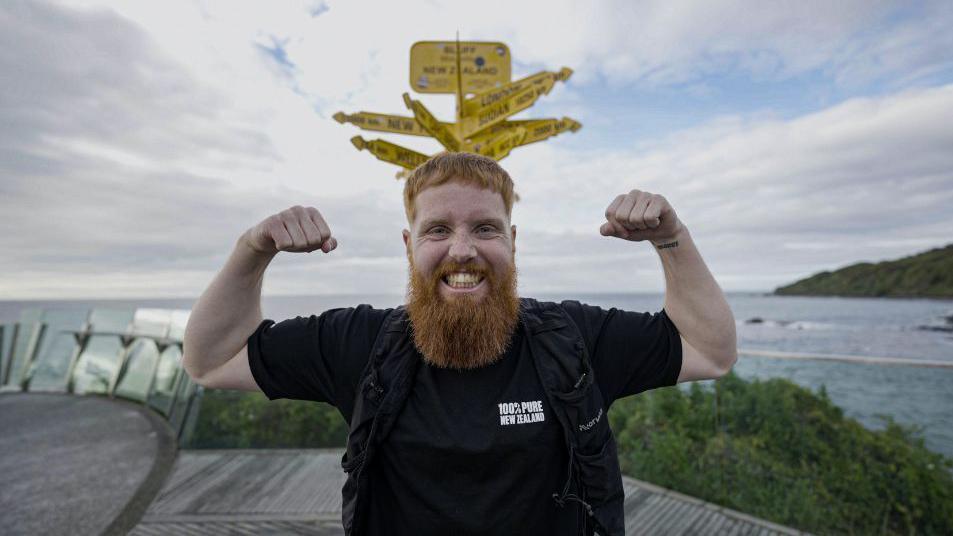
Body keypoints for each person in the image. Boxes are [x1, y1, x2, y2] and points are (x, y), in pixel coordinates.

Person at [182, 151, 737, 535]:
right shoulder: (360, 343)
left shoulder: (573, 340)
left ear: (512, 242)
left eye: (486, 229)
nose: (463, 250)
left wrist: (671, 238)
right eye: (438, 230)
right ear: (409, 245)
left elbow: (709, 349)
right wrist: (252, 249)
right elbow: (211, 360)